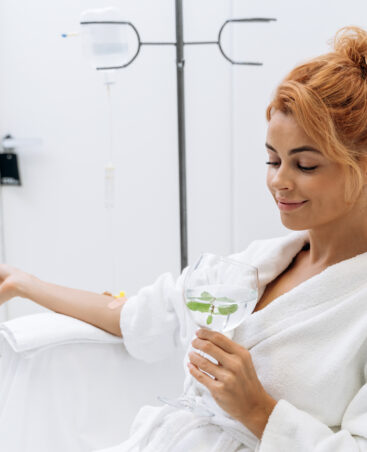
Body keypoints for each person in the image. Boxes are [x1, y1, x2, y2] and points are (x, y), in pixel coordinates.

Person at [1, 24, 367, 451]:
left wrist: (257, 409)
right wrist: (22, 283)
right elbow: (135, 316)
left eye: (305, 166)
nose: (278, 182)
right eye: (272, 160)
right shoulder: (249, 267)